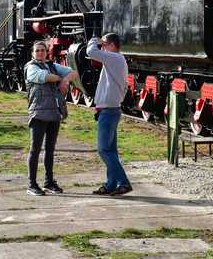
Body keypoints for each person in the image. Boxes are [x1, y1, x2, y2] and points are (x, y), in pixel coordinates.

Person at [24, 41, 78, 196]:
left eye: (42, 50)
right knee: (35, 149)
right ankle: (32, 184)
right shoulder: (31, 67)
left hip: (54, 113)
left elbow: (73, 73)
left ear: (47, 52)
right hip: (38, 113)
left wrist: (66, 80)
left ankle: (49, 182)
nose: (40, 53)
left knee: (50, 149)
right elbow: (45, 77)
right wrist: (61, 79)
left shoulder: (52, 65)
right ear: (33, 53)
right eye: (37, 50)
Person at [87, 33, 132, 196]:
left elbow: (90, 52)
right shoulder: (115, 60)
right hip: (109, 110)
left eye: (104, 44)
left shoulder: (115, 58)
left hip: (109, 111)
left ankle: (124, 182)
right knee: (110, 151)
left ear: (112, 45)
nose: (102, 47)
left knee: (103, 150)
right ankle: (111, 184)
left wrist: (94, 40)